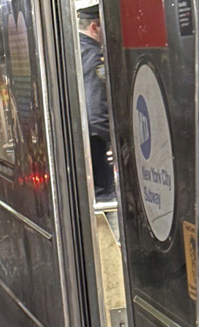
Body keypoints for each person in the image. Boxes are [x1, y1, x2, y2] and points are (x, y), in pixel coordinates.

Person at [78, 1, 115, 201]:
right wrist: (113, 141)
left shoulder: (75, 51)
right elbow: (96, 108)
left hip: (81, 142)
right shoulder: (94, 56)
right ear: (94, 27)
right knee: (107, 199)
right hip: (97, 144)